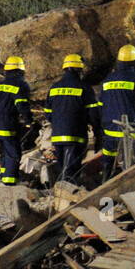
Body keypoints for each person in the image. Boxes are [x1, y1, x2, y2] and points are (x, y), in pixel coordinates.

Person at [98, 44, 135, 178]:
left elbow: (100, 105)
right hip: (130, 131)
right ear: (134, 62)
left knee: (108, 163)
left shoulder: (106, 81)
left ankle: (105, 184)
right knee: (133, 166)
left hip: (110, 131)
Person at [45, 54, 101, 186]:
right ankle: (69, 195)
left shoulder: (54, 88)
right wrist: (97, 129)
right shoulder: (84, 88)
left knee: (62, 167)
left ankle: (61, 192)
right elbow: (93, 113)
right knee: (72, 170)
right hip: (76, 135)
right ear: (79, 70)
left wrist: (58, 122)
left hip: (58, 135)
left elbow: (47, 113)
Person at [0, 56, 34, 186]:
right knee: (13, 153)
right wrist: (29, 121)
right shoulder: (20, 85)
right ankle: (9, 181)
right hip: (6, 125)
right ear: (20, 71)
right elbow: (22, 105)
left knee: (2, 151)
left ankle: (3, 175)